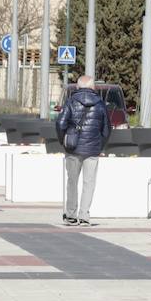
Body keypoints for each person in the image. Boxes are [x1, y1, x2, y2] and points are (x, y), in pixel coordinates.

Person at [56, 75, 110, 227]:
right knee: (89, 182)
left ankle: (71, 215)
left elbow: (60, 123)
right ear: (93, 87)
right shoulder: (100, 104)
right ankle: (84, 216)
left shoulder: (71, 101)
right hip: (92, 149)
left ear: (78, 87)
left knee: (72, 181)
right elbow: (106, 128)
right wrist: (100, 145)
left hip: (73, 148)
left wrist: (63, 140)